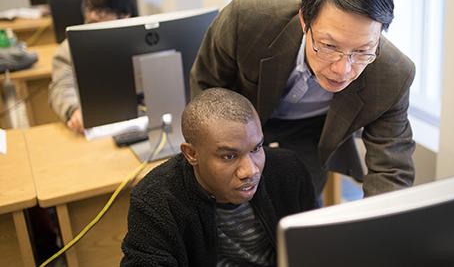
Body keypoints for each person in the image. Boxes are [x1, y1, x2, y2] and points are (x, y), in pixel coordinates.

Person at [190, 0, 416, 197]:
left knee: (301, 204)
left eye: (362, 51)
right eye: (329, 46)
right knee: (226, 205)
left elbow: (391, 170)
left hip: (311, 132)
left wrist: (378, 228)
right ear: (304, 21)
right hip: (237, 123)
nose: (343, 70)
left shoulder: (394, 74)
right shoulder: (248, 17)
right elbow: (207, 85)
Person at [121, 88, 316, 266]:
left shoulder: (288, 170)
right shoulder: (155, 200)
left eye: (256, 148)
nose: (250, 171)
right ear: (191, 154)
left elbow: (315, 245)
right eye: (229, 156)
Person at [48, 0, 134, 133]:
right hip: (97, 127)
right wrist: (74, 110)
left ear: (124, 15)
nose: (93, 15)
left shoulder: (143, 40)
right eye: (90, 9)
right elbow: (62, 86)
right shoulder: (68, 48)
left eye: (103, 10)